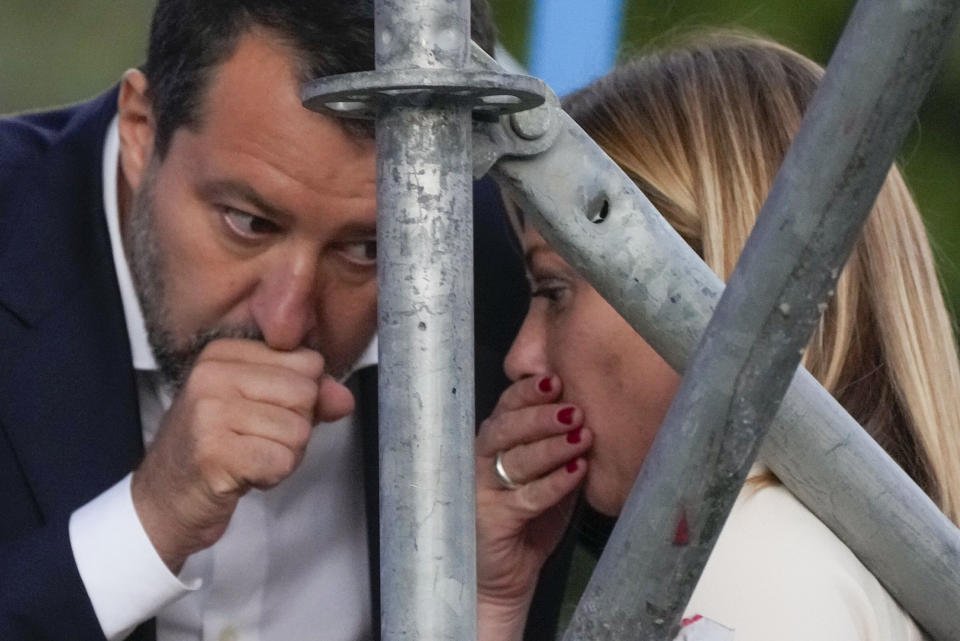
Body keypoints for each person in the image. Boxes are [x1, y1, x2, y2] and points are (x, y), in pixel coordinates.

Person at [0, 2, 537, 640]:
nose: (285, 322)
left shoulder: (519, 274)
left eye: (366, 249)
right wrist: (147, 522)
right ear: (143, 130)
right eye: (249, 224)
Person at [476, 31, 960, 641]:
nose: (522, 357)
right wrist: (488, 608)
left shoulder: (758, 564)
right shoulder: (810, 561)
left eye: (553, 290)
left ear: (718, 283)